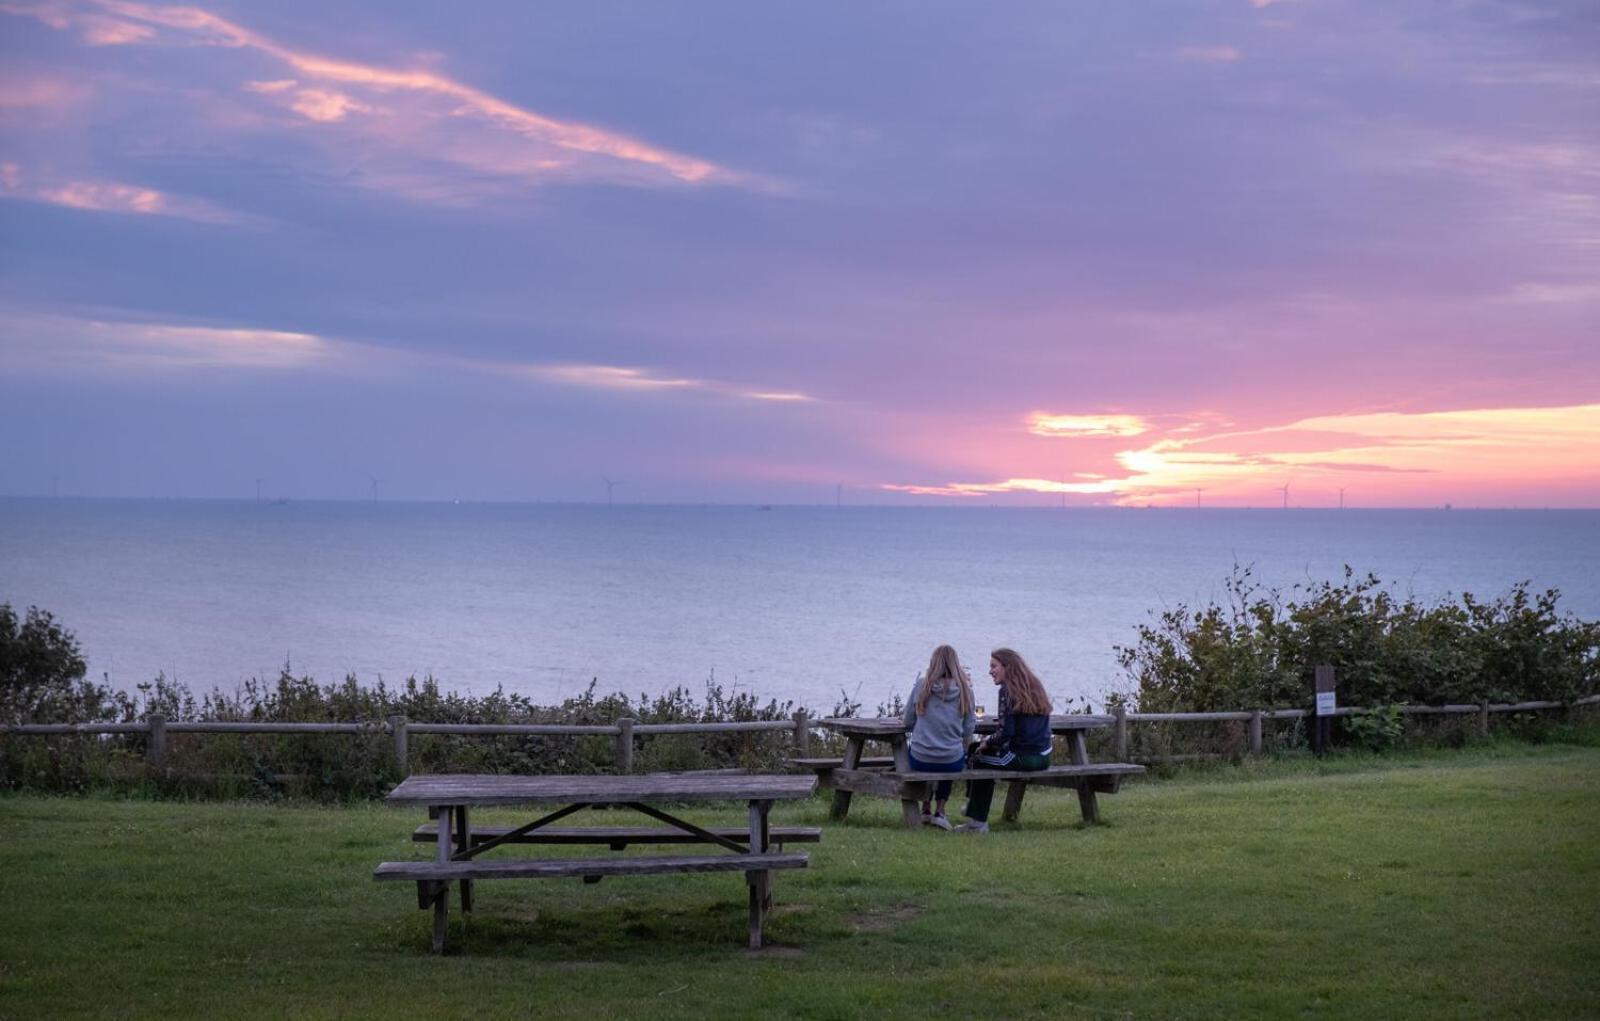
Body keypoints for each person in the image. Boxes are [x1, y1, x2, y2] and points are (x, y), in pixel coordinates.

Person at [959, 647, 1054, 833]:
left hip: (1023, 756)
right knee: (976, 749)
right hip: (1044, 755)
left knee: (976, 756)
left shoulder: (1007, 691)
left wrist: (987, 742)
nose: (990, 671)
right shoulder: (1034, 685)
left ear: (1007, 667)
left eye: (994, 666)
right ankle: (973, 809)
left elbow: (1006, 733)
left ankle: (977, 821)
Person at [902, 644, 976, 830]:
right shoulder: (965, 690)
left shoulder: (922, 685)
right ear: (955, 664)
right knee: (950, 754)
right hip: (951, 759)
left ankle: (925, 808)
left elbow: (908, 721)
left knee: (925, 754)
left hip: (920, 757)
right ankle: (940, 811)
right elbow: (968, 729)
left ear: (933, 663)